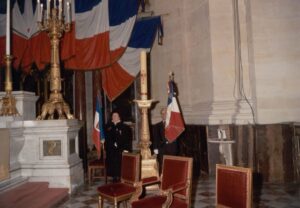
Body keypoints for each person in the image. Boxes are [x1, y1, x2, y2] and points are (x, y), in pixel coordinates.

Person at [105, 110, 132, 182]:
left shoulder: (125, 127)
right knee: (112, 161)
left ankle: (121, 176)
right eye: (113, 116)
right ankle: (114, 177)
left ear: (119, 117)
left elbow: (127, 139)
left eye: (116, 116)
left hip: (121, 148)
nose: (114, 117)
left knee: (120, 162)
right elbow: (107, 139)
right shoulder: (108, 127)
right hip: (111, 149)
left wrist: (126, 148)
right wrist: (111, 144)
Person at [152, 107, 179, 173]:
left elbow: (177, 136)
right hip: (161, 149)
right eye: (162, 114)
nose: (164, 115)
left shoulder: (173, 125)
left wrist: (173, 139)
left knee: (172, 166)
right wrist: (155, 150)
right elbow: (155, 139)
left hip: (172, 148)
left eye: (165, 113)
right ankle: (163, 180)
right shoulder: (157, 126)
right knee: (163, 166)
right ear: (161, 115)